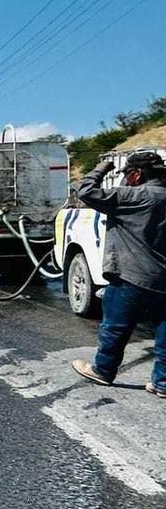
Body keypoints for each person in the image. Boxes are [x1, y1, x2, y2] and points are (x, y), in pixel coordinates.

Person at [70, 151, 166, 395]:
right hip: (163, 280)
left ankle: (103, 370)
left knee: (115, 326)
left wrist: (102, 168)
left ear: (136, 174)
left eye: (127, 175)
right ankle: (162, 382)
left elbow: (85, 191)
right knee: (164, 331)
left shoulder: (133, 197)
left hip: (131, 277)